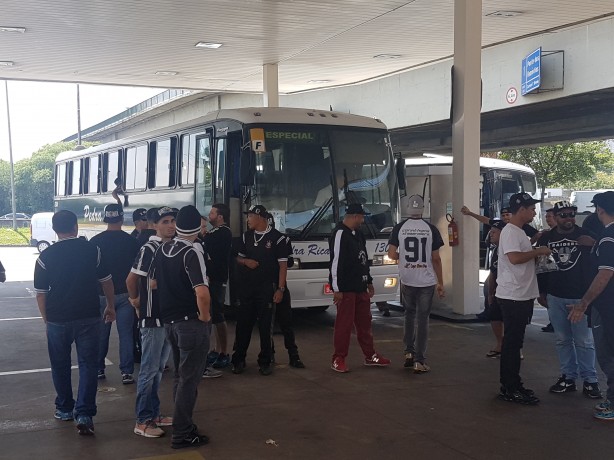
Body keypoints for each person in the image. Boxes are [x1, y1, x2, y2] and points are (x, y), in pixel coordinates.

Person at [33, 210, 115, 435]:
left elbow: (41, 293)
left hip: (58, 319)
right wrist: (110, 305)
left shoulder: (45, 257)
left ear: (54, 229)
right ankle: (85, 413)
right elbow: (107, 282)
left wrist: (46, 319)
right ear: (75, 226)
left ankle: (65, 409)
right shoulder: (93, 250)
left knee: (60, 364)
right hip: (88, 316)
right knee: (88, 364)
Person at [151, 204, 211, 449]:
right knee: (189, 380)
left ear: (176, 226)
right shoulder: (192, 252)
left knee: (180, 377)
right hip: (190, 323)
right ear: (198, 227)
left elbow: (153, 283)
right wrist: (205, 318)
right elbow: (202, 293)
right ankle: (182, 433)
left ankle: (182, 425)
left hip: (170, 324)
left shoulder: (163, 248)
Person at [536, 200, 600, 398]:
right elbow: (542, 267)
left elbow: (604, 258)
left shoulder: (588, 235)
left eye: (572, 214)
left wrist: (594, 244)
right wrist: (541, 292)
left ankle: (591, 381)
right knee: (562, 339)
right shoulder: (546, 238)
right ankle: (568, 377)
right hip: (555, 296)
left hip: (580, 298)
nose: (569, 218)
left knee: (583, 341)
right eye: (563, 215)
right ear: (555, 217)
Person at [126, 206, 177, 438]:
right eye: (165, 221)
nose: (170, 225)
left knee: (158, 369)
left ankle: (154, 414)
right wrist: (136, 301)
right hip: (152, 317)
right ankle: (142, 420)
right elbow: (131, 279)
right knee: (148, 370)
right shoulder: (150, 248)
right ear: (154, 225)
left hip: (167, 316)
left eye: (173, 221)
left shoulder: (171, 248)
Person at [495, 193, 551, 405]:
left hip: (521, 295)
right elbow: (515, 258)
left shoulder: (517, 232)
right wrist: (538, 251)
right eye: (531, 208)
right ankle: (509, 387)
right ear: (521, 209)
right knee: (512, 344)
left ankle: (514, 383)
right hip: (513, 296)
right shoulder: (510, 232)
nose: (534, 212)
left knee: (515, 343)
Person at [328, 203, 390, 373]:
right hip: (346, 288)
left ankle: (370, 356)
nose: (363, 220)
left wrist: (368, 281)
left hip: (360, 287)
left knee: (365, 324)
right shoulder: (340, 234)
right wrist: (337, 289)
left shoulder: (359, 235)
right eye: (362, 217)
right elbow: (335, 262)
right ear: (354, 216)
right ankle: (338, 358)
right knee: (344, 325)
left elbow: (363, 260)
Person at [569, 191, 614, 420]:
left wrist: (584, 302)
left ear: (600, 210)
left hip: (607, 308)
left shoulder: (608, 237)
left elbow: (604, 274)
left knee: (608, 354)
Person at [388, 195, 444, 373]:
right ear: (423, 209)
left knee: (409, 315)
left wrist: (403, 259)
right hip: (426, 281)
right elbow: (436, 258)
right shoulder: (430, 229)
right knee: (423, 319)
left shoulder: (399, 228)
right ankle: (420, 360)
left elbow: (391, 254)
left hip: (407, 279)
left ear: (407, 208)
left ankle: (408, 353)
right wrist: (440, 282)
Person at [232, 205, 288, 376]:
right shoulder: (246, 236)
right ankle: (238, 359)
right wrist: (245, 262)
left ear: (260, 217)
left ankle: (265, 360)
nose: (247, 220)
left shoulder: (278, 238)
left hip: (267, 289)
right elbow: (237, 257)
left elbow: (283, 265)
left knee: (265, 326)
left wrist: (280, 289)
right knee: (243, 324)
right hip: (247, 288)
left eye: (249, 216)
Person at [91, 203, 140, 384]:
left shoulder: (95, 242)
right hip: (126, 294)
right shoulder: (131, 242)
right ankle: (126, 372)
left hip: (102, 295)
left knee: (101, 334)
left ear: (105, 218)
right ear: (121, 218)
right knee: (126, 333)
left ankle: (98, 369)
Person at [266, 212, 305, 368]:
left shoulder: (281, 240)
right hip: (271, 287)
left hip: (278, 286)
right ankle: (291, 356)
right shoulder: (280, 239)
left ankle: (286, 355)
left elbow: (286, 263)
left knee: (279, 323)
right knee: (281, 324)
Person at [203, 205, 232, 373]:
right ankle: (215, 349)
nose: (209, 215)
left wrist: (201, 232)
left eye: (212, 213)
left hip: (217, 279)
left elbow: (205, 243)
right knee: (213, 315)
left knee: (219, 315)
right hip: (211, 279)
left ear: (220, 217)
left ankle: (223, 351)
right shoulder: (215, 233)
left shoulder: (222, 232)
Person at [484, 220, 506, 358]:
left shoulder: (510, 249)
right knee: (495, 316)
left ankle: (516, 349)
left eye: (494, 232)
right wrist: (490, 292)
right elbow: (493, 272)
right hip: (498, 289)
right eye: (490, 232)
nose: (490, 235)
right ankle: (500, 344)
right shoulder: (496, 250)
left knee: (510, 321)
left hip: (510, 290)